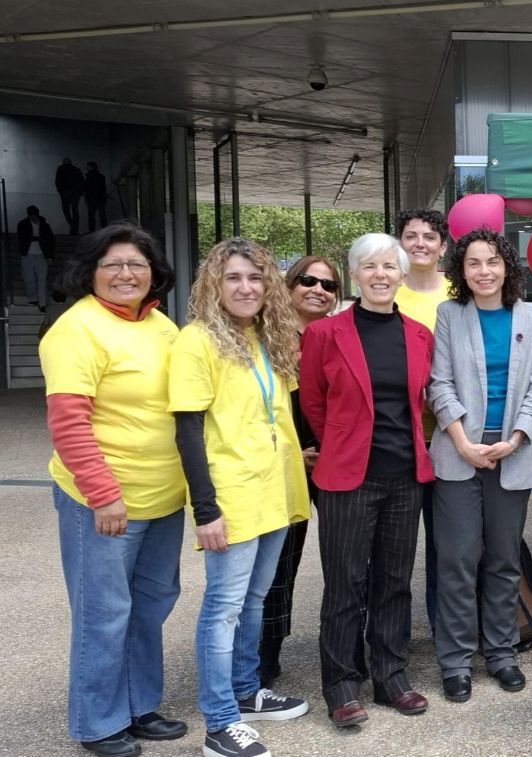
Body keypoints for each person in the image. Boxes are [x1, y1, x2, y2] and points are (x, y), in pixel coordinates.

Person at [40, 224, 186, 757]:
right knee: (104, 614)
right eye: (113, 265)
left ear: (154, 273)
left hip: (163, 498)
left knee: (150, 607)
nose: (126, 274)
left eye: (137, 264)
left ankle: (139, 705)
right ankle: (98, 723)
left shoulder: (162, 326)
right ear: (91, 272)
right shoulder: (76, 330)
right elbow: (69, 423)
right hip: (104, 503)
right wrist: (103, 493)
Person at [169, 238, 311, 757]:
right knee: (224, 607)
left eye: (255, 277)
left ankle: (246, 691)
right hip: (232, 496)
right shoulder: (196, 341)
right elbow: (187, 430)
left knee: (255, 599)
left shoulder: (265, 337)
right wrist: (205, 509)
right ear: (214, 284)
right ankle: (220, 722)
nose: (246, 287)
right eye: (233, 277)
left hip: (274, 490)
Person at [301, 234, 436, 728]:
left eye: (389, 266)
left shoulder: (419, 334)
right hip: (347, 478)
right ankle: (341, 684)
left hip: (405, 476)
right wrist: (341, 441)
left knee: (394, 582)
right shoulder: (325, 334)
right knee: (345, 584)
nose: (381, 275)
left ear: (402, 275)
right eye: (370, 266)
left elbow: (419, 402)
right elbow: (313, 401)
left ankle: (390, 675)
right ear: (355, 274)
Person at [429, 228, 532, 702]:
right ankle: (456, 661)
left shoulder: (531, 318)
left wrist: (516, 439)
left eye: (493, 261)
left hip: (511, 454)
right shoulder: (449, 315)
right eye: (474, 262)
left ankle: (502, 653)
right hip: (459, 453)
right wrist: (462, 441)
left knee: (503, 560)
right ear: (461, 270)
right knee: (457, 561)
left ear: (507, 267)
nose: (484, 271)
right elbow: (439, 383)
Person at [257, 255, 341, 688]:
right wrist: (292, 452)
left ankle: (347, 650)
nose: (318, 290)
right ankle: (264, 656)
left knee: (345, 560)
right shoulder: (264, 337)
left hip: (332, 462)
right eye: (308, 280)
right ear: (289, 285)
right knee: (278, 563)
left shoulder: (340, 337)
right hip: (281, 465)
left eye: (329, 285)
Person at [394, 208, 450, 634]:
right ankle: (391, 633)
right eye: (411, 236)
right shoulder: (387, 291)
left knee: (444, 543)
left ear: (442, 247)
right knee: (394, 544)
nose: (420, 244)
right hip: (400, 436)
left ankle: (442, 627)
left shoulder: (458, 292)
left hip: (449, 437)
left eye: (429, 237)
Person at [19, 204, 55, 312]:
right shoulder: (23, 224)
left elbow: (51, 241)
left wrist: (50, 256)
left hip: (40, 254)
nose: (33, 218)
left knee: (41, 279)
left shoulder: (44, 226)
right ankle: (33, 299)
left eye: (34, 216)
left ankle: (42, 302)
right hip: (28, 254)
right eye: (31, 216)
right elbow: (22, 238)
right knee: (29, 278)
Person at [56, 156, 85, 234]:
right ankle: (75, 228)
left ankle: (72, 225)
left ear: (63, 162)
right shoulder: (76, 169)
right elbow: (81, 181)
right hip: (75, 192)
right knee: (74, 210)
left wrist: (60, 190)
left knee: (66, 209)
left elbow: (58, 180)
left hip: (65, 192)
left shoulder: (61, 168)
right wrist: (80, 191)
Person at [85, 162, 109, 232]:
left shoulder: (89, 176)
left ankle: (92, 230)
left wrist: (87, 197)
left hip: (91, 198)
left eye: (88, 166)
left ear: (91, 167)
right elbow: (103, 188)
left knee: (91, 216)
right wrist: (104, 197)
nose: (86, 168)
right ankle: (105, 230)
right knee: (102, 215)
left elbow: (87, 187)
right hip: (100, 198)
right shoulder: (101, 176)